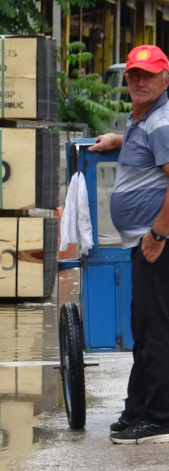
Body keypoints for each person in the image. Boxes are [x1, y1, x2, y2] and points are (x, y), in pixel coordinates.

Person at [89, 44, 169, 444]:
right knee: (144, 327)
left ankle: (159, 416)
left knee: (155, 331)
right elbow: (151, 151)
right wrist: (119, 140)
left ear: (164, 78)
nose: (140, 80)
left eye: (149, 75)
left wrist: (158, 234)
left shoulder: (160, 122)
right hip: (145, 240)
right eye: (135, 74)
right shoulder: (145, 119)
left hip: (157, 241)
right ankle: (137, 408)